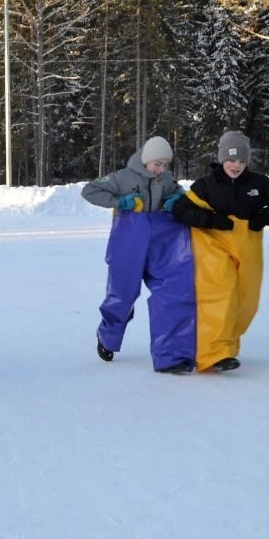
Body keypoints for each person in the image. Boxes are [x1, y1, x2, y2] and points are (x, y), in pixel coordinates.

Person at [170, 131, 269, 372]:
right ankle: (214, 353)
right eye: (231, 160)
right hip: (213, 246)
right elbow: (181, 210)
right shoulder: (206, 185)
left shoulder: (258, 184)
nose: (236, 165)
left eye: (241, 160)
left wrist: (264, 218)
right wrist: (212, 220)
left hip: (247, 247)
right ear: (221, 159)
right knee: (222, 294)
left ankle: (225, 344)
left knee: (247, 301)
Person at [81, 136, 196, 373]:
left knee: (172, 292)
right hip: (129, 239)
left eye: (165, 165)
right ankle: (108, 336)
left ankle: (171, 355)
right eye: (157, 164)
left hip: (162, 240)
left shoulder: (165, 178)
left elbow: (177, 191)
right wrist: (120, 201)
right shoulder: (123, 177)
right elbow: (90, 190)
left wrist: (176, 197)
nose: (161, 169)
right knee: (122, 293)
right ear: (146, 160)